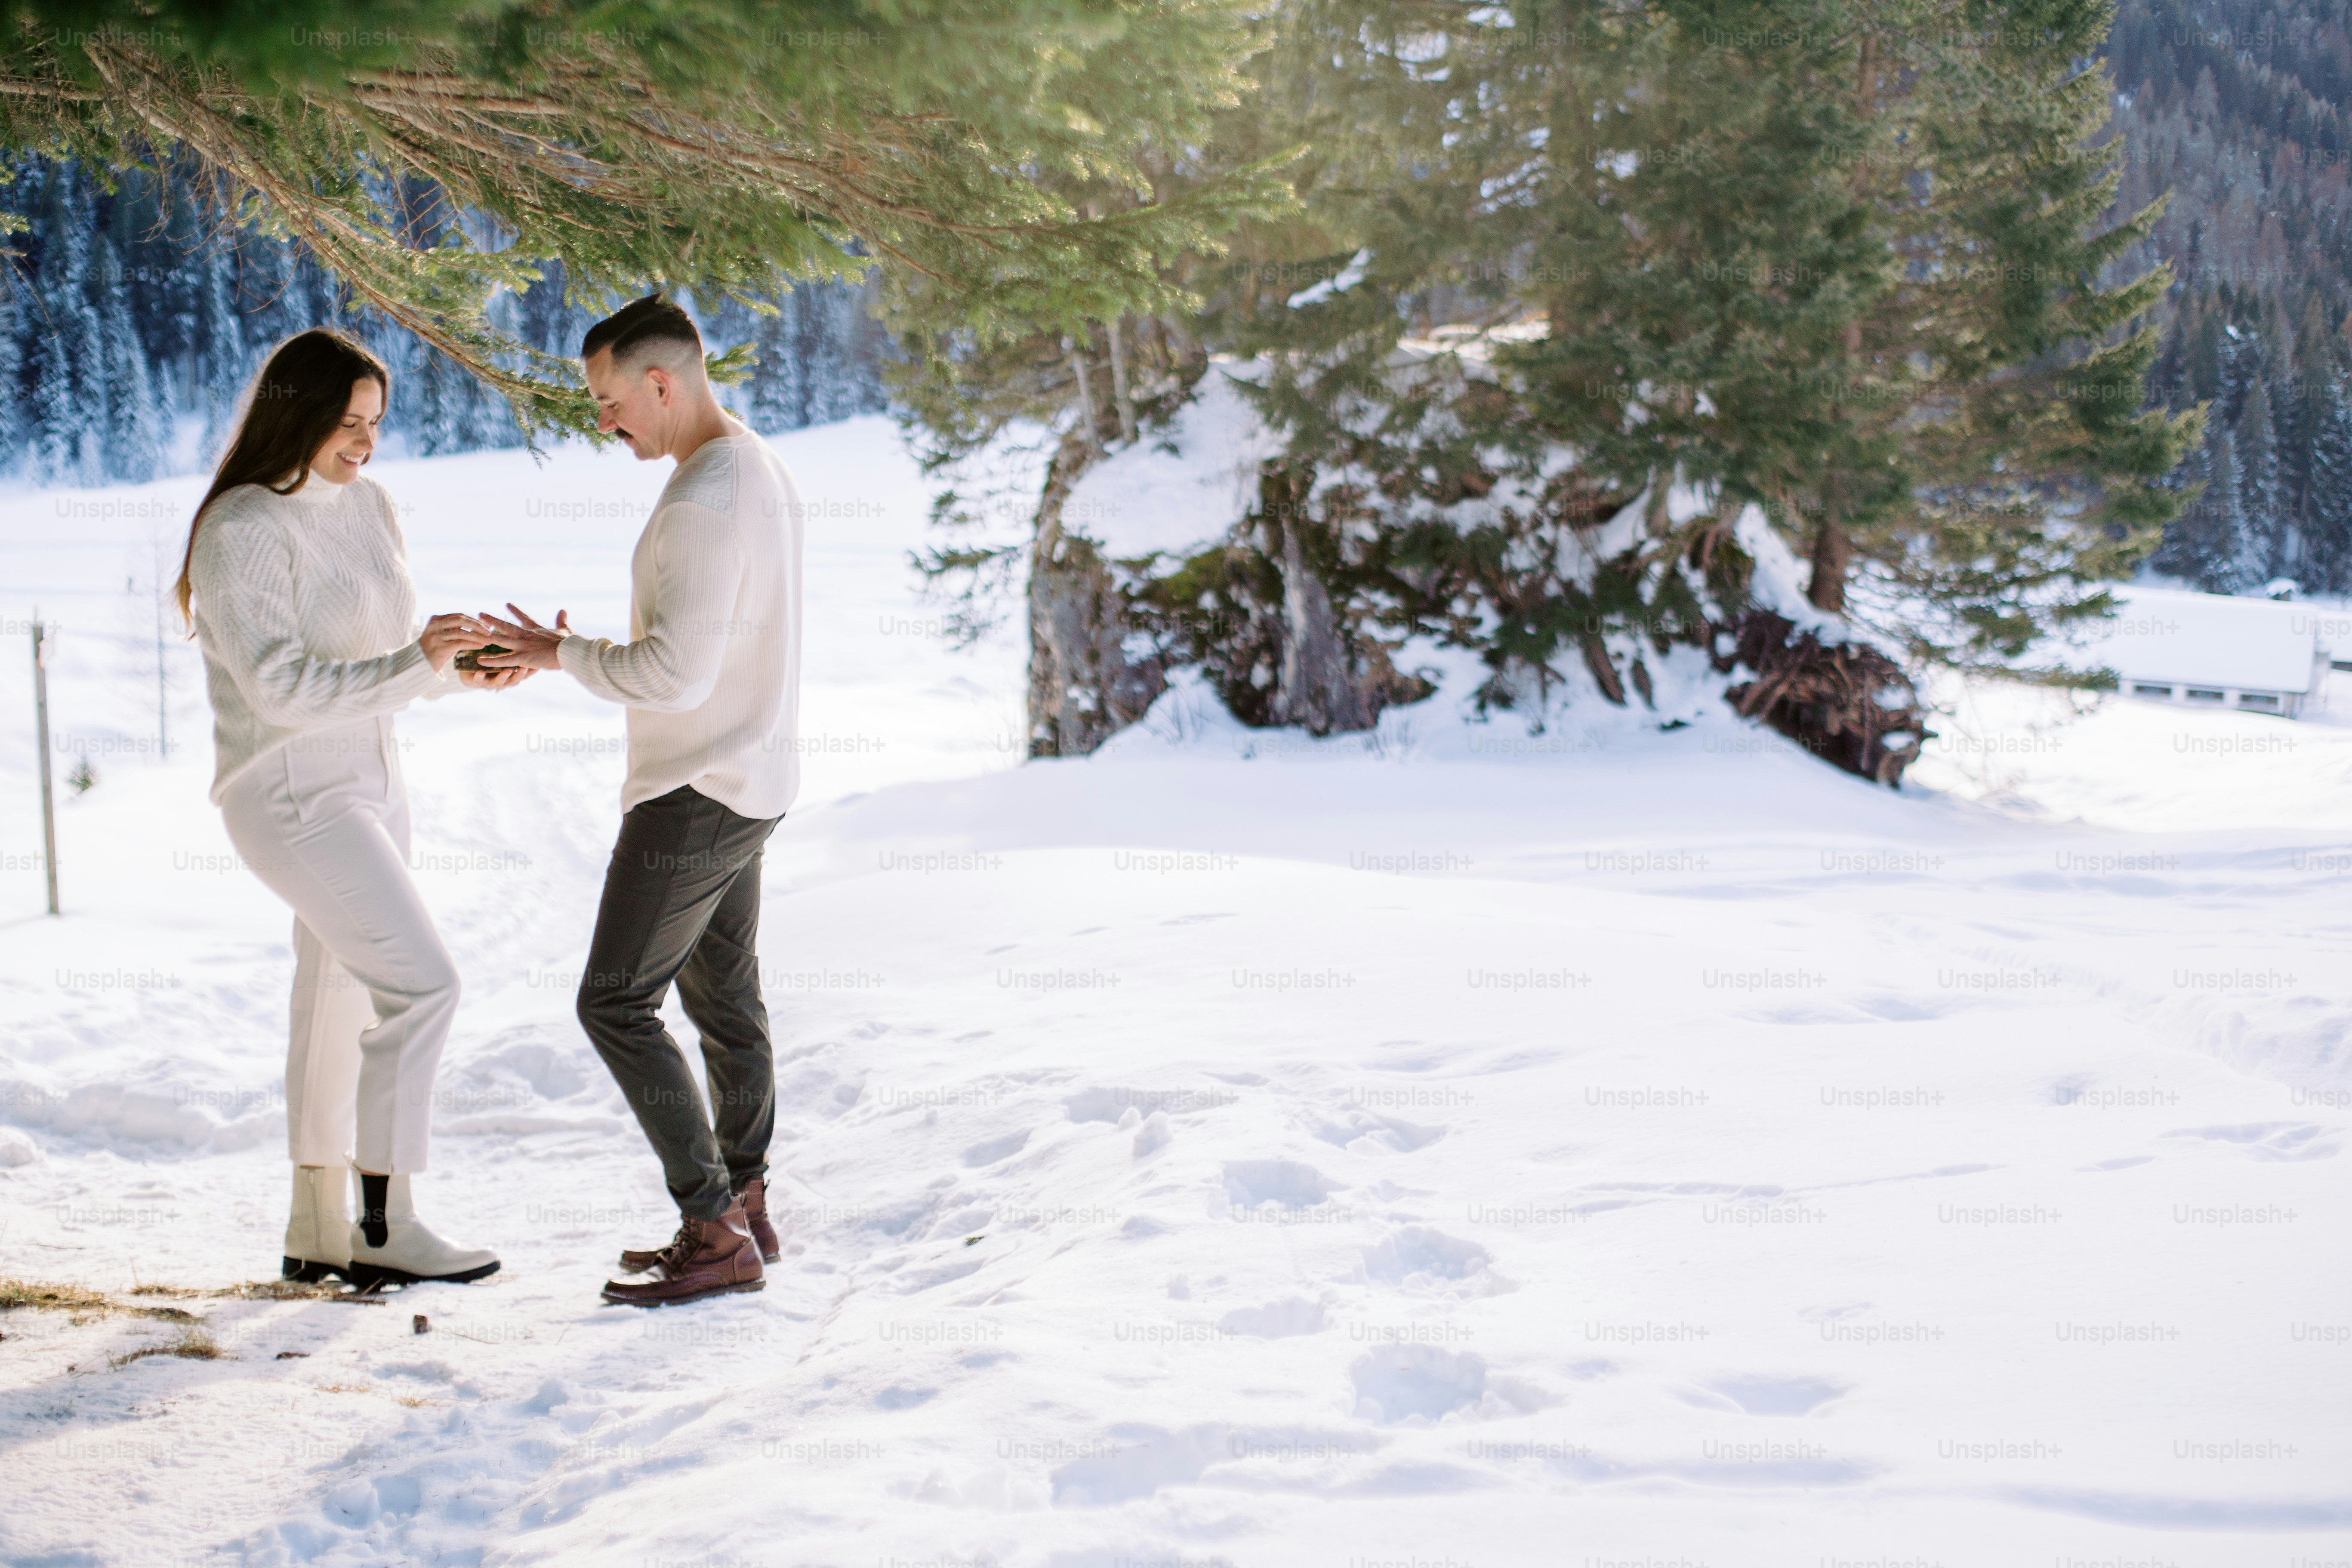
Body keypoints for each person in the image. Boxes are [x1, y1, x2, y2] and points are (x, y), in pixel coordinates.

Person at [479, 295, 804, 1308]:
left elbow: (674, 674)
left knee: (614, 1001)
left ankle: (712, 1227)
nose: (605, 422)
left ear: (661, 382)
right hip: (749, 777)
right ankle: (743, 1204)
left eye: (612, 402)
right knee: (723, 1000)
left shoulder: (709, 494)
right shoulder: (753, 463)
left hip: (696, 787)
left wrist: (559, 653)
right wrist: (567, 651)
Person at [179, 329, 516, 1291]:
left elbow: (383, 665)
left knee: (333, 1003)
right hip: (290, 787)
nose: (365, 443)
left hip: (373, 781)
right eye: (348, 421)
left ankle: (318, 1224)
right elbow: (282, 689)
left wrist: (457, 670)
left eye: (375, 423)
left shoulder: (371, 507)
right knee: (425, 985)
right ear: (297, 409)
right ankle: (386, 1218)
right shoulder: (241, 525)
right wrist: (414, 665)